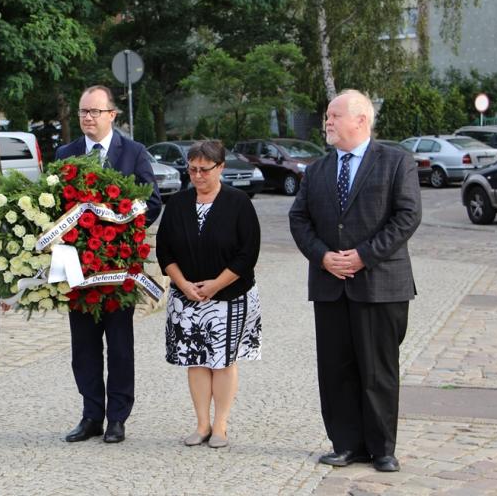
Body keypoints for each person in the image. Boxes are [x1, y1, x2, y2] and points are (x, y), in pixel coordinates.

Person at [289, 90, 421, 472]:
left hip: (380, 284)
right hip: (330, 285)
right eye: (326, 116)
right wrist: (323, 256)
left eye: (333, 115)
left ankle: (381, 448)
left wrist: (364, 255)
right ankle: (345, 444)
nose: (326, 122)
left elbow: (407, 216)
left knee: (378, 370)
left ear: (360, 120)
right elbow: (299, 220)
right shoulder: (316, 170)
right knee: (336, 369)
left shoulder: (397, 162)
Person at [55, 85, 161, 443]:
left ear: (112, 115)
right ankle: (90, 415)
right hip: (79, 271)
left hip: (117, 269)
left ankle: (117, 418)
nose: (87, 117)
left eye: (94, 112)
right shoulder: (65, 153)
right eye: (83, 111)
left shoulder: (132, 152)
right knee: (82, 347)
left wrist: (122, 233)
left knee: (118, 346)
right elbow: (54, 208)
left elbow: (153, 202)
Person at [155, 140, 262, 448]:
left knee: (223, 361)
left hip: (230, 296)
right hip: (186, 296)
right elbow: (164, 251)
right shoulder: (177, 204)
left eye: (204, 169)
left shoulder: (239, 202)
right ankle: (202, 424)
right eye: (192, 169)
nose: (198, 176)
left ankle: (221, 425)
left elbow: (247, 253)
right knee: (196, 359)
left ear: (221, 168)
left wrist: (216, 284)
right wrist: (184, 284)